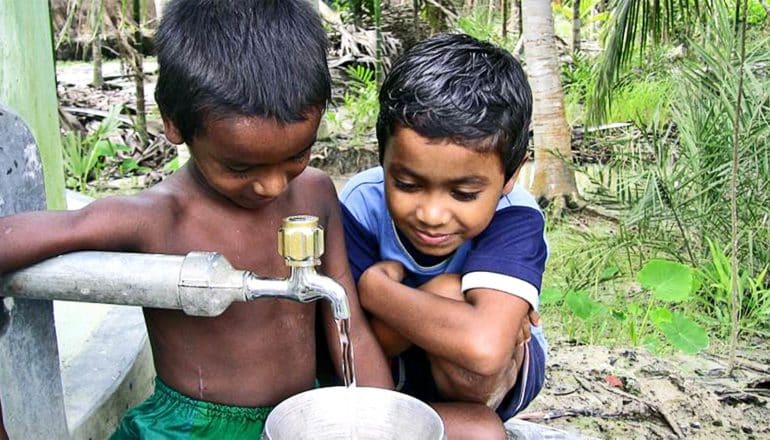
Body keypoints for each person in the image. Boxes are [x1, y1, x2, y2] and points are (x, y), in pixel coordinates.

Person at [0, 0, 392, 437]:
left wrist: (384, 420)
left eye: (296, 155)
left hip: (299, 418)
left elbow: (348, 325)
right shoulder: (158, 217)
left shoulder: (317, 192)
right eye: (240, 168)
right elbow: (34, 233)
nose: (273, 186)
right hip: (191, 429)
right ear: (174, 124)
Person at [339, 33, 548, 439]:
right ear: (382, 157)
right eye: (407, 184)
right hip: (389, 375)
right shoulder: (361, 203)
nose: (432, 215)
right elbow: (356, 345)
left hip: (485, 384)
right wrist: (447, 308)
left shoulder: (516, 216)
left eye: (464, 194)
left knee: (451, 291)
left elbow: (485, 350)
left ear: (511, 175)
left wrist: (377, 291)